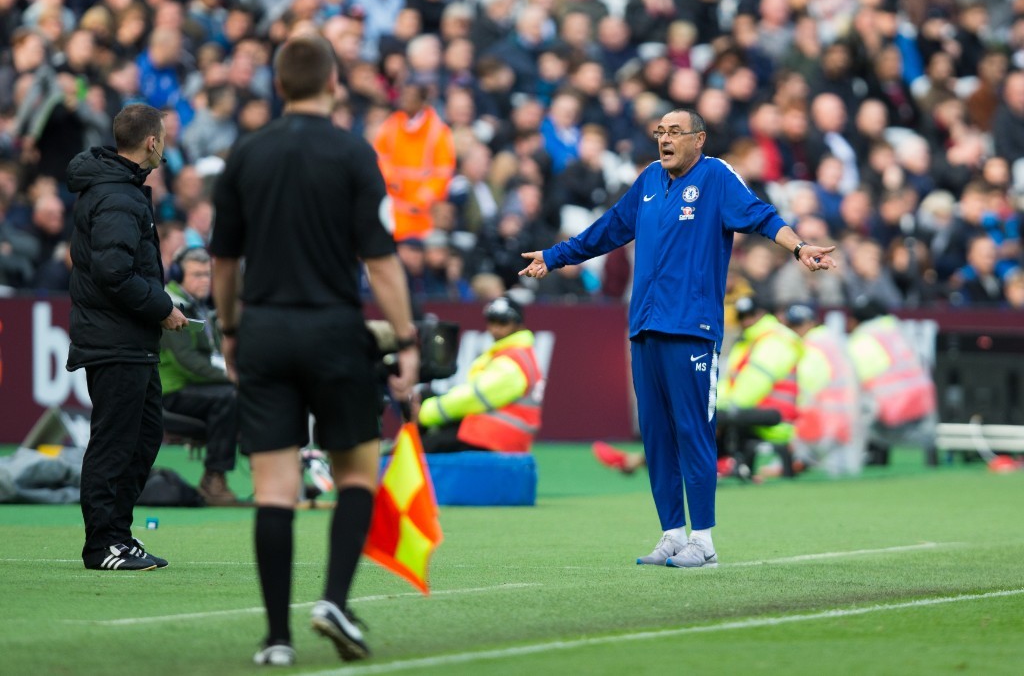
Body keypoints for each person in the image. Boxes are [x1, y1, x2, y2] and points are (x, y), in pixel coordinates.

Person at [520, 108, 836, 569]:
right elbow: (608, 230)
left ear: (698, 139)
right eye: (659, 133)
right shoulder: (648, 178)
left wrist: (799, 247)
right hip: (644, 326)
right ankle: (672, 533)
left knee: (693, 432)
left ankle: (703, 541)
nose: (664, 141)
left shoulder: (716, 178)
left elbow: (763, 216)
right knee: (657, 437)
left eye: (674, 133)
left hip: (692, 327)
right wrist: (555, 256)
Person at [209, 36, 418, 667]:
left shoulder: (245, 153)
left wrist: (230, 330)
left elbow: (222, 260)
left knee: (275, 489)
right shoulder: (354, 152)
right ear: (332, 84)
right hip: (333, 330)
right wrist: (406, 339)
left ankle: (276, 639)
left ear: (278, 86)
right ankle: (332, 599)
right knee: (356, 472)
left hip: (265, 331)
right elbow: (380, 262)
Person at [65, 103, 189, 572]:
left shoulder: (119, 189)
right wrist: (162, 307)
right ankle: (103, 545)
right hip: (114, 339)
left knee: (143, 436)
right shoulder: (118, 195)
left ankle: (118, 533)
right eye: (164, 139)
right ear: (152, 142)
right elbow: (114, 272)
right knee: (115, 442)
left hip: (127, 340)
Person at [158, 246, 241, 506]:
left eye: (207, 274)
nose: (204, 280)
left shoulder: (199, 306)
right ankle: (213, 478)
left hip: (194, 387)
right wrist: (233, 376)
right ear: (178, 275)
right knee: (231, 396)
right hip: (172, 391)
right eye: (196, 275)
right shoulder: (170, 306)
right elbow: (189, 363)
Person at [416, 296, 544, 453]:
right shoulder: (513, 353)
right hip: (488, 430)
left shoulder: (513, 362)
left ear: (519, 325)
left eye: (503, 322)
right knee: (425, 396)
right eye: (492, 321)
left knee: (422, 448)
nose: (495, 328)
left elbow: (476, 397)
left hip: (496, 436)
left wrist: (425, 413)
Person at [716, 296, 804, 479]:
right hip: (759, 413)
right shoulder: (748, 342)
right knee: (712, 414)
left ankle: (723, 463)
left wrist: (720, 407)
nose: (746, 321)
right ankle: (719, 463)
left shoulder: (776, 341)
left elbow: (752, 388)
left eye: (751, 315)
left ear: (763, 314)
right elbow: (729, 384)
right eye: (741, 316)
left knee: (718, 416)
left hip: (778, 418)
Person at [846, 297, 938, 466]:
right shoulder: (899, 330)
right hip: (923, 402)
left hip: (892, 408)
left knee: (856, 403)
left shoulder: (862, 339)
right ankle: (931, 461)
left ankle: (859, 460)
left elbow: (853, 379)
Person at [782, 303, 866, 476]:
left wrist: (797, 413)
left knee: (829, 470)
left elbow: (809, 383)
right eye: (792, 325)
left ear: (811, 322)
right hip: (845, 411)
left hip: (824, 414)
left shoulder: (811, 346)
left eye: (798, 324)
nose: (795, 330)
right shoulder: (829, 339)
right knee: (842, 469)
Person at [372, 72, 456, 242]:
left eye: (410, 96)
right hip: (392, 208)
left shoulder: (438, 131)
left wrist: (420, 199)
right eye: (404, 95)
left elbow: (443, 173)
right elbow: (379, 157)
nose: (405, 100)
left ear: (423, 101)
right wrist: (390, 178)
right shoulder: (391, 125)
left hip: (423, 214)